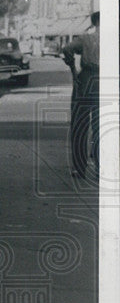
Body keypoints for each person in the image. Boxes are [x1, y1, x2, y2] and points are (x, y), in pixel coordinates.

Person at [61, 10, 100, 180]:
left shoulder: (86, 38)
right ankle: (101, 167)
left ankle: (79, 168)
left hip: (86, 80)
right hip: (106, 81)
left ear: (93, 22)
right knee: (102, 126)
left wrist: (73, 69)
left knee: (80, 126)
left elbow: (67, 49)